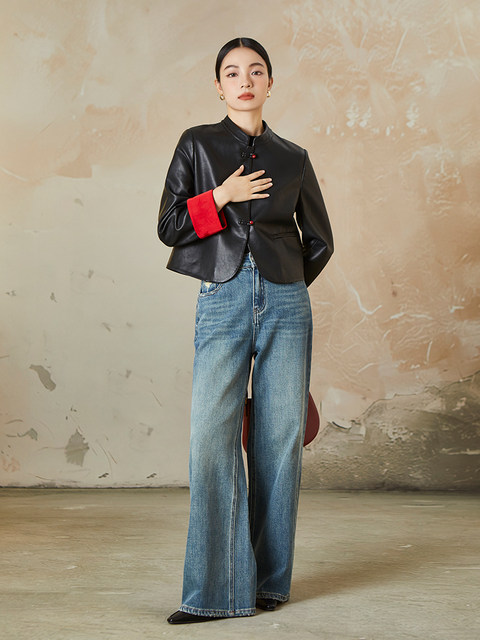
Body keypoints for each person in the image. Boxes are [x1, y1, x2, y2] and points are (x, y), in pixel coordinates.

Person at [157, 37, 333, 624]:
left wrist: (286, 284)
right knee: (212, 438)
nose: (245, 81)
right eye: (232, 73)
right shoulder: (197, 144)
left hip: (287, 303)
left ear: (270, 82)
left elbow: (320, 241)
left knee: (279, 441)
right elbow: (169, 225)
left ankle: (268, 585)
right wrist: (221, 195)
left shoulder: (293, 157)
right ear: (219, 86)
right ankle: (215, 592)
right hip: (222, 298)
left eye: (255, 71)